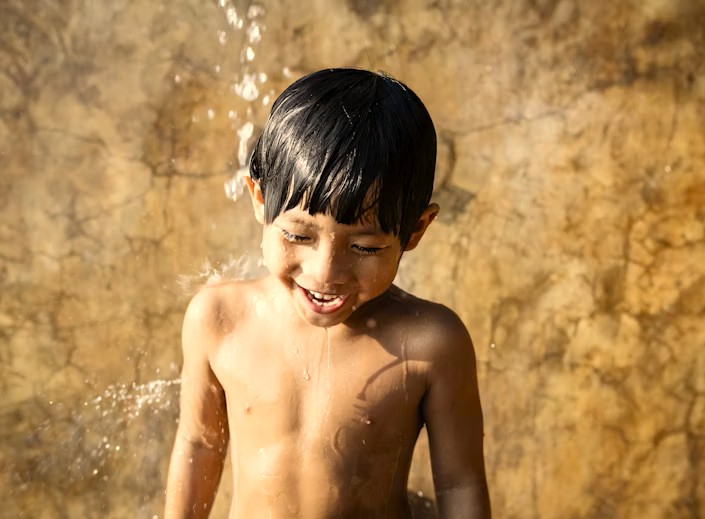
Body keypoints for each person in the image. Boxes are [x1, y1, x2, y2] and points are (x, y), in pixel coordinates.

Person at [164, 68, 490, 519]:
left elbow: (459, 484)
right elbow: (199, 443)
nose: (326, 273)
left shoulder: (429, 343)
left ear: (416, 229)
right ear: (260, 200)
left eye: (364, 247)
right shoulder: (219, 318)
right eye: (299, 236)